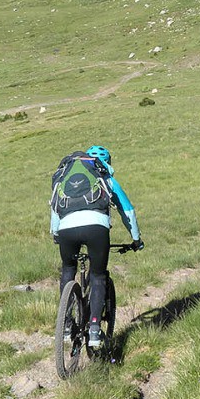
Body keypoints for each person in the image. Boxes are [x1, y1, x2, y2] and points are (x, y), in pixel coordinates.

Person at [50, 145, 142, 349]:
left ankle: (65, 323)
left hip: (66, 229)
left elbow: (56, 208)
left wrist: (57, 234)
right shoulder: (105, 176)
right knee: (98, 276)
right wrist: (136, 240)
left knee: (68, 269)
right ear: (106, 162)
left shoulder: (65, 176)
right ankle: (93, 328)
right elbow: (128, 211)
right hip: (96, 228)